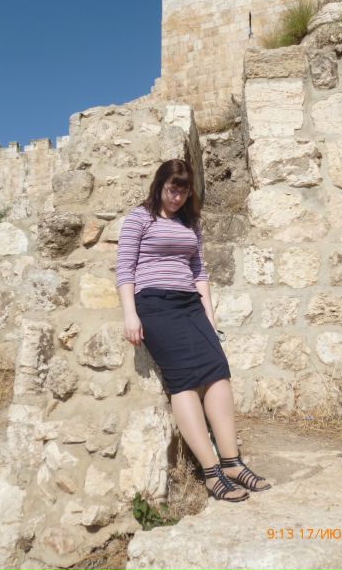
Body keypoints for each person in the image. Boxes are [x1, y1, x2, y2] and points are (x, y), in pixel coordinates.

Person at [116, 158, 271, 502]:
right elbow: (125, 269)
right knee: (183, 380)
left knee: (218, 371)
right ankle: (211, 472)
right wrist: (130, 315)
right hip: (154, 304)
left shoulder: (190, 223)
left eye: (183, 192)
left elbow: (199, 272)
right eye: (172, 190)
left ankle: (232, 463)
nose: (177, 198)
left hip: (190, 305)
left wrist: (210, 320)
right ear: (159, 185)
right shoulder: (139, 218)